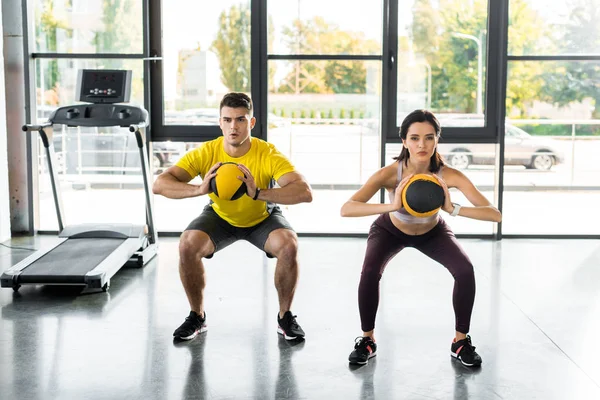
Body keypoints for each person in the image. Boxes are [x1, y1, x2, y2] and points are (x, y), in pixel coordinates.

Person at [340, 109, 501, 367]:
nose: (422, 144)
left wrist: (453, 209)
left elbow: (495, 215)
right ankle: (367, 339)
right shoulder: (390, 173)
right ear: (404, 141)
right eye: (414, 138)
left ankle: (460, 342)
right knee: (370, 271)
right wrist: (391, 206)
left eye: (429, 137)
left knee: (465, 269)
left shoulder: (449, 175)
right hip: (389, 230)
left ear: (437, 139)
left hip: (432, 232)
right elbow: (346, 208)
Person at [153, 92, 313, 342]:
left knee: (289, 245)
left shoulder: (267, 153)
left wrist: (258, 192)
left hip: (262, 217)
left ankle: (285, 317)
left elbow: (304, 192)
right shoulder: (207, 152)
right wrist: (198, 189)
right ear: (220, 122)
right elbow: (160, 184)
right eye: (227, 120)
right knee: (187, 244)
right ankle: (197, 316)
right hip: (219, 216)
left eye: (240, 120)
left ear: (251, 123)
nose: (233, 126)